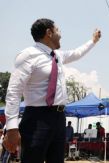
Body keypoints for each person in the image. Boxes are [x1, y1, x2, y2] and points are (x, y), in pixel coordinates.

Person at [3, 18, 101, 163]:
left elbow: (77, 53)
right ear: (49, 33)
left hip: (59, 118)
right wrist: (12, 128)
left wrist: (93, 41)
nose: (60, 34)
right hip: (37, 119)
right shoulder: (27, 55)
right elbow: (14, 92)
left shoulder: (58, 56)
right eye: (58, 30)